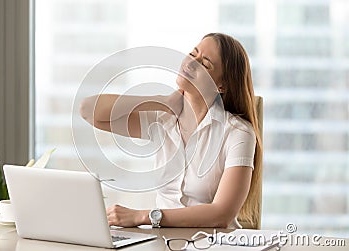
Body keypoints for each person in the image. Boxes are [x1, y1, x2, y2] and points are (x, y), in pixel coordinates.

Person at [79, 33, 262, 229]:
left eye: (205, 64)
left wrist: (143, 216)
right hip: (163, 242)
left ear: (221, 85)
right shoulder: (162, 119)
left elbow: (221, 215)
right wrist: (161, 101)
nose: (191, 63)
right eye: (193, 54)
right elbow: (88, 110)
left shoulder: (238, 132)